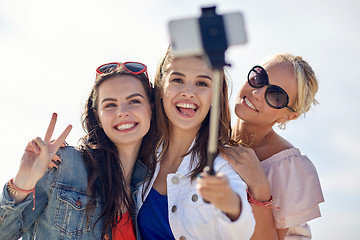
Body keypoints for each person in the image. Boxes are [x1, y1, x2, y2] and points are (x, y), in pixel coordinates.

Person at [0, 62, 155, 240]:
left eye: (134, 101)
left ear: (150, 108)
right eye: (110, 105)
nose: (122, 112)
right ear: (97, 116)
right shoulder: (62, 165)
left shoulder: (150, 187)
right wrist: (22, 183)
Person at [135, 48, 255, 240]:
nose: (189, 93)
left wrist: (232, 205)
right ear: (160, 88)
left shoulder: (222, 165)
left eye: (202, 83)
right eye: (178, 80)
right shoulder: (139, 150)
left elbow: (242, 231)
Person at [226, 53, 324, 239]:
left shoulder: (289, 168)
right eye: (259, 77)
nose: (256, 93)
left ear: (288, 116)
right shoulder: (210, 136)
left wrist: (259, 190)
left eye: (276, 95)